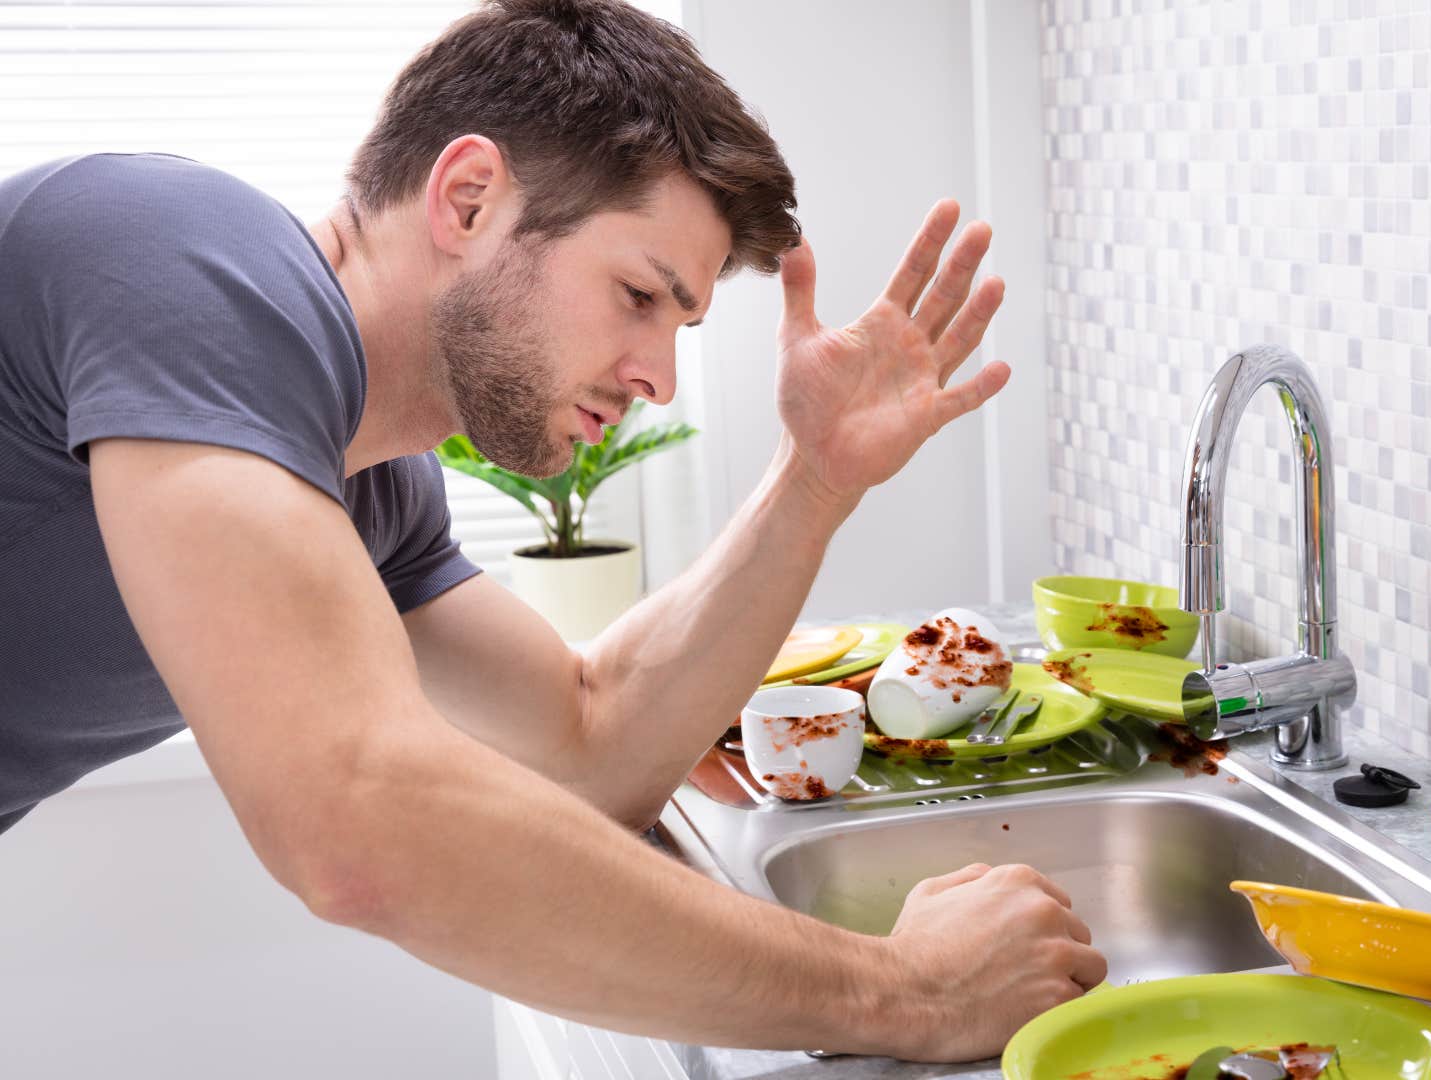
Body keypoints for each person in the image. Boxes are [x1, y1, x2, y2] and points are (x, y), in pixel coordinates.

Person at [0, 0, 1104, 1062]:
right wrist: (904, 992)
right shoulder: (182, 263)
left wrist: (811, 484)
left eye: (681, 324)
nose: (659, 378)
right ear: (470, 198)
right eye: (638, 294)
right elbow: (355, 816)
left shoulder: (371, 494)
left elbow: (591, 744)